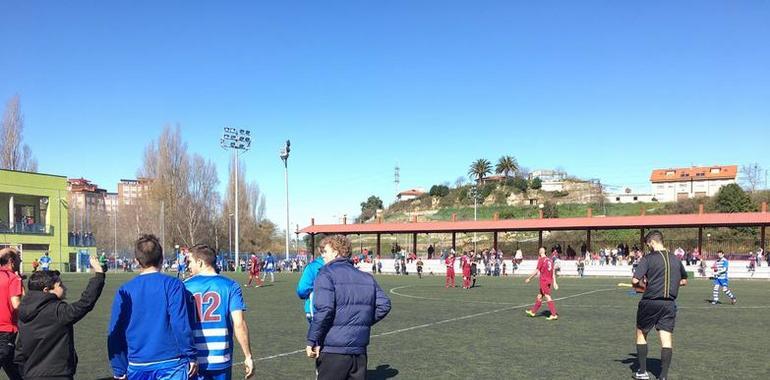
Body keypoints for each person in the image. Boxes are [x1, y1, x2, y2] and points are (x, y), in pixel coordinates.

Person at [107, 234, 197, 380]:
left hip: (138, 364)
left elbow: (114, 331)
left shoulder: (125, 289)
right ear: (161, 258)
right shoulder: (173, 285)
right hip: (171, 363)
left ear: (136, 261)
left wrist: (119, 368)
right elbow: (180, 323)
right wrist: (190, 354)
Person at [305, 235, 391, 380]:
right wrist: (359, 322)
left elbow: (325, 310)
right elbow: (384, 305)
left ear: (336, 252)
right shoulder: (366, 277)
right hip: (359, 352)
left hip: (333, 350)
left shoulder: (326, 274)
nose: (322, 256)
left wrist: (311, 340)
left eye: (325, 251)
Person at [14, 255, 105, 380]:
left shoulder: (24, 310)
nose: (64, 287)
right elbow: (85, 303)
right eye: (60, 285)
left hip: (31, 374)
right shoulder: (57, 310)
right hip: (57, 374)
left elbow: (20, 349)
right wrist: (99, 275)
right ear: (46, 290)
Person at [184, 244, 254, 380]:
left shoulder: (184, 286)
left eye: (190, 261)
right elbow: (239, 323)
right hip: (221, 357)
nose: (188, 266)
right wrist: (248, 356)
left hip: (193, 359)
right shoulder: (230, 285)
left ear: (200, 262)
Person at [631, 230, 688, 380]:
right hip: (669, 304)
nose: (648, 246)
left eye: (648, 244)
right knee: (666, 338)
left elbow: (635, 281)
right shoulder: (676, 259)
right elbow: (684, 281)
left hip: (650, 302)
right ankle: (663, 376)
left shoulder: (648, 259)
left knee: (641, 333)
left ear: (652, 242)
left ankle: (642, 372)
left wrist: (645, 286)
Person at [0, 247, 23, 379]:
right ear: (11, 261)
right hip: (6, 329)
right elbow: (16, 304)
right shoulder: (13, 278)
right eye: (18, 257)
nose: (20, 260)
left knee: (11, 364)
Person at [297, 248, 331, 323]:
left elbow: (302, 290)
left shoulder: (312, 267)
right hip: (338, 309)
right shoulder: (344, 267)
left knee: (316, 333)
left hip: (314, 308)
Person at [524, 247, 559, 320]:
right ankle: (533, 312)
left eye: (539, 250)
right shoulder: (550, 260)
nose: (539, 251)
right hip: (548, 281)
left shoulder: (541, 260)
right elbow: (553, 272)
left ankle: (553, 314)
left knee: (547, 296)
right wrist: (554, 282)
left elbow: (537, 271)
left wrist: (529, 278)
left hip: (544, 281)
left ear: (541, 251)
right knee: (540, 296)